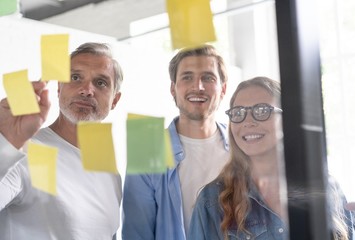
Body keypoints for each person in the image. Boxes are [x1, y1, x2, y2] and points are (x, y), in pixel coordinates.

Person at [189, 76, 355, 240]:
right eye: (238, 113)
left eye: (262, 111)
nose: (248, 122)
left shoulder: (325, 185)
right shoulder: (211, 201)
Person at [0, 42, 123, 239]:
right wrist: (4, 141)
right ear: (59, 88)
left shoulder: (110, 173)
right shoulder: (24, 152)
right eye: (75, 78)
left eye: (100, 82)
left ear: (115, 100)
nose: (86, 90)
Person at [122, 44, 230, 239]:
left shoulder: (241, 148)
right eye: (187, 77)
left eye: (208, 77)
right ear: (173, 88)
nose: (198, 86)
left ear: (223, 89)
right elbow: (136, 233)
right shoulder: (146, 150)